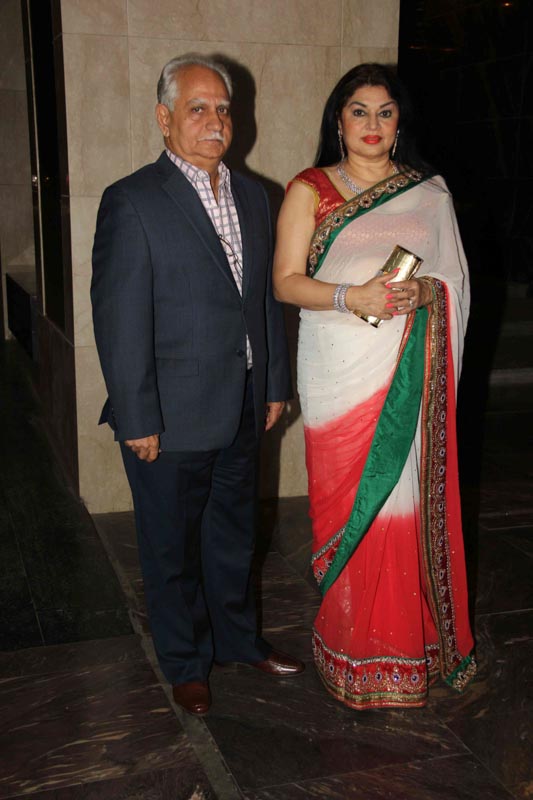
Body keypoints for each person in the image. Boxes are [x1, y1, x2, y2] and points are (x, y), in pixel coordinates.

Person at [91, 53, 304, 717]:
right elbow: (119, 318)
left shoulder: (254, 195)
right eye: (198, 108)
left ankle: (238, 641)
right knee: (171, 549)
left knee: (234, 535)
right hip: (170, 415)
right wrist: (137, 417)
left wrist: (273, 382)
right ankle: (185, 663)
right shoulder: (132, 200)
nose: (215, 121)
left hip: (242, 404)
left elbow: (263, 301)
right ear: (164, 118)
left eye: (223, 109)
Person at [273, 63, 476, 710]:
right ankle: (347, 644)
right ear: (338, 121)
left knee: (399, 500)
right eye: (358, 111)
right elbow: (285, 281)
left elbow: (453, 280)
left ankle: (397, 650)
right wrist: (349, 296)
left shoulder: (428, 192)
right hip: (336, 367)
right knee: (347, 506)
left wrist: (427, 292)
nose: (371, 124)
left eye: (384, 112)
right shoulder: (309, 189)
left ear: (399, 123)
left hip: (405, 369)